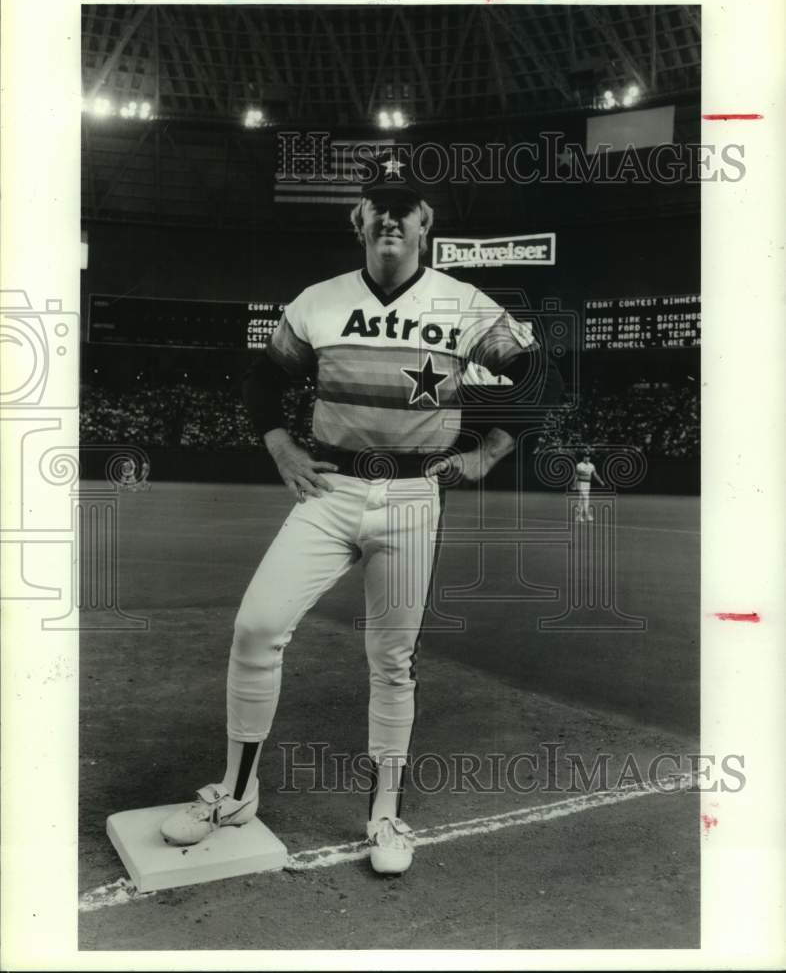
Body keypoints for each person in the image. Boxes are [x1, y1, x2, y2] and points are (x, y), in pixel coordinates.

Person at [160, 152, 563, 875]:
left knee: (392, 660)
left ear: (424, 221)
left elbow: (540, 376)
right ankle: (237, 793)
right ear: (359, 219)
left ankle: (384, 815)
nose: (390, 218)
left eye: (403, 207)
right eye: (379, 206)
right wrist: (280, 444)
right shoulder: (318, 301)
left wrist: (489, 453)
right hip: (330, 491)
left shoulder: (465, 304)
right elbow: (261, 380)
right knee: (256, 626)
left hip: (410, 497)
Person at [573, 449, 605, 522]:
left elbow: (595, 474)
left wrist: (600, 481)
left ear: (589, 458)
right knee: (586, 498)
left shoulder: (591, 465)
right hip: (581, 483)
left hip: (587, 484)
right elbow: (576, 476)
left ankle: (579, 516)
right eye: (585, 457)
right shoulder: (579, 465)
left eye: (588, 457)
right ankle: (587, 514)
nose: (587, 458)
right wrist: (574, 484)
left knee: (582, 499)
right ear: (583, 457)